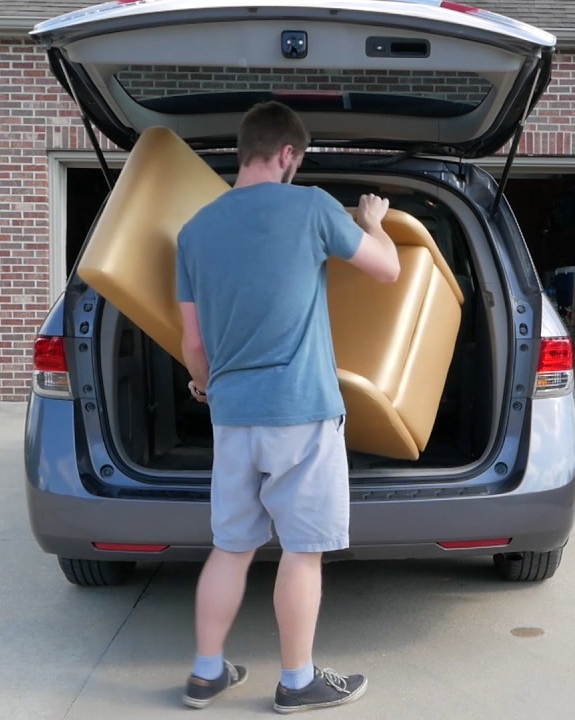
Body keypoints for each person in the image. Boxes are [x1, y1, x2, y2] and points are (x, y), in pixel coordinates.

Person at [174, 100, 400, 713]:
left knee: (232, 547)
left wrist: (205, 386)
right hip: (301, 409)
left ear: (243, 150)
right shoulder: (312, 207)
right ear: (287, 155)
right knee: (302, 551)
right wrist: (373, 219)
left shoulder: (194, 231)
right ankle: (297, 682)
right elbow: (388, 270)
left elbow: (193, 346)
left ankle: (205, 673)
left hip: (233, 413)